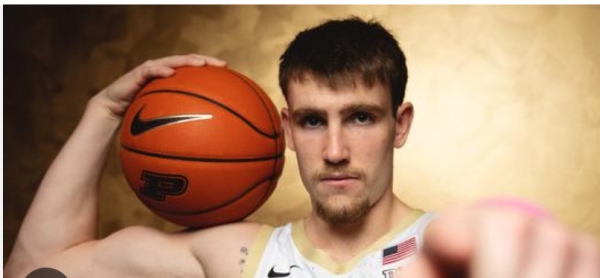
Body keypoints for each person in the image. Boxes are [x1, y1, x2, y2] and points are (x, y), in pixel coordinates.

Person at [5, 17, 598, 278]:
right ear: (286, 131)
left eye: (361, 117)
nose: (336, 150)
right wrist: (104, 111)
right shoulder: (233, 258)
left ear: (401, 124)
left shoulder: (473, 255)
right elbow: (35, 270)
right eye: (314, 122)